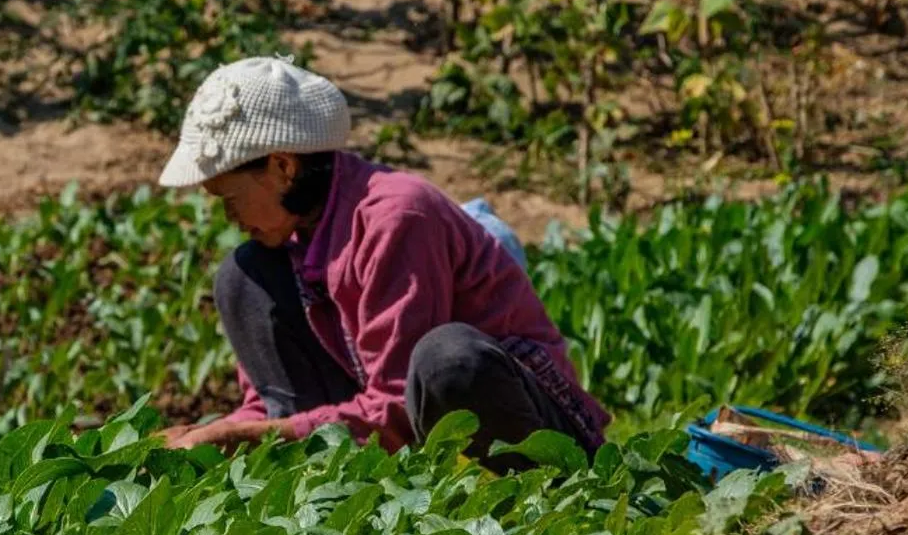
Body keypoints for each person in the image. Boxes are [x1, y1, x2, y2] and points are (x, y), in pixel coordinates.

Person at [158, 57, 609, 457]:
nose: (228, 216)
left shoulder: (395, 218)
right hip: (404, 429)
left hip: (521, 427)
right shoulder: (295, 238)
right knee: (242, 277)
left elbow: (395, 403)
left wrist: (251, 438)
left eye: (229, 197)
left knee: (447, 360)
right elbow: (268, 409)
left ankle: (521, 490)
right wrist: (214, 434)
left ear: (282, 167)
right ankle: (316, 483)